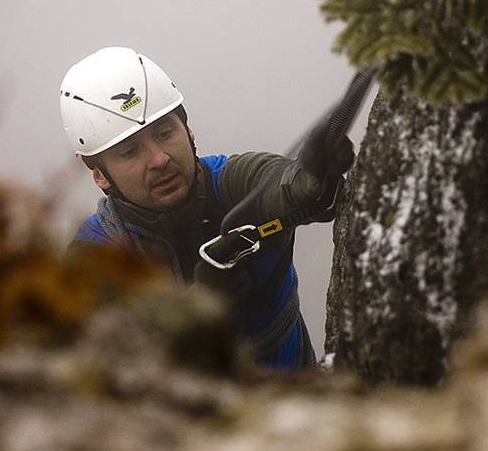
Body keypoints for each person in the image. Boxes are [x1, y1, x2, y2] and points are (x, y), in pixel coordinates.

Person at [60, 47, 353, 368]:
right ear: (101, 176)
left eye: (165, 132)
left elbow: (277, 182)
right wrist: (198, 309)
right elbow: (95, 366)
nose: (159, 159)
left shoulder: (231, 182)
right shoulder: (96, 256)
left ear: (188, 130)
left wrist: (308, 178)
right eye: (131, 152)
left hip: (304, 405)